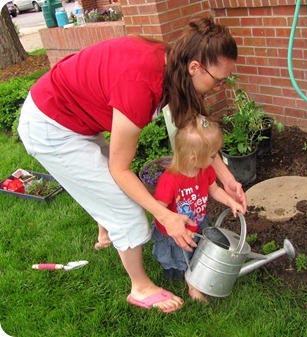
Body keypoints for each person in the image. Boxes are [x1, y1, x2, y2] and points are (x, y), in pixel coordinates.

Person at [17, 15, 246, 313]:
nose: (220, 86)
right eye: (219, 80)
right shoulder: (140, 84)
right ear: (195, 67)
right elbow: (120, 169)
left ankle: (106, 230)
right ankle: (140, 287)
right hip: (52, 126)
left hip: (75, 116)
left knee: (106, 186)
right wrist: (165, 215)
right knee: (127, 209)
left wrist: (227, 179)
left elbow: (197, 131)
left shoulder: (173, 65)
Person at [152, 115, 245, 303]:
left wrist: (230, 202)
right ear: (194, 158)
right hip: (177, 233)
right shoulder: (169, 181)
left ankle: (193, 279)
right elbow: (158, 210)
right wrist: (177, 226)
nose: (215, 159)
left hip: (197, 221)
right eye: (213, 156)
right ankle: (192, 286)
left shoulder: (204, 169)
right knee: (185, 260)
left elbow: (215, 190)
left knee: (199, 254)